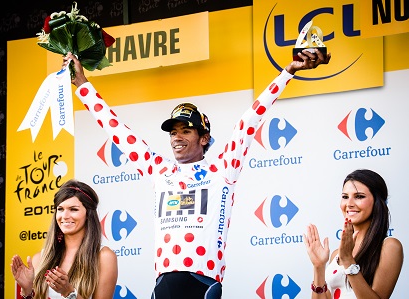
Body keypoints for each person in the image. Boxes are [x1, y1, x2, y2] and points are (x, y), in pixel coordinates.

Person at [63, 49, 331, 299]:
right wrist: (82, 85)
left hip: (203, 283)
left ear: (204, 139)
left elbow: (250, 120)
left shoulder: (222, 169)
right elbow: (117, 131)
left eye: (186, 131)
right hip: (163, 283)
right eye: (173, 132)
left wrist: (288, 72)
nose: (177, 138)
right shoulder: (160, 170)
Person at [304, 169, 404, 299]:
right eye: (345, 197)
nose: (349, 204)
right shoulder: (336, 255)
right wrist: (319, 267)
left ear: (377, 202)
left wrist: (349, 262)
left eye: (359, 196)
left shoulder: (389, 246)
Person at [10, 179, 118, 299]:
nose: (65, 216)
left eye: (73, 209)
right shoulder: (40, 258)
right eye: (60, 209)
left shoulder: (104, 257)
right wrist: (27, 291)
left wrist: (69, 292)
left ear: (88, 214)